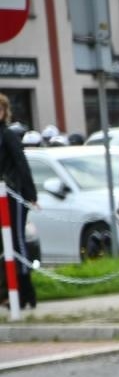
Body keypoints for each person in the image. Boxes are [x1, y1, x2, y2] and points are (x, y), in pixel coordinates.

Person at [0, 93, 39, 310]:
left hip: (11, 194)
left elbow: (21, 164)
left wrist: (30, 194)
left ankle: (26, 290)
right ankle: (7, 292)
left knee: (17, 240)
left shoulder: (8, 136)